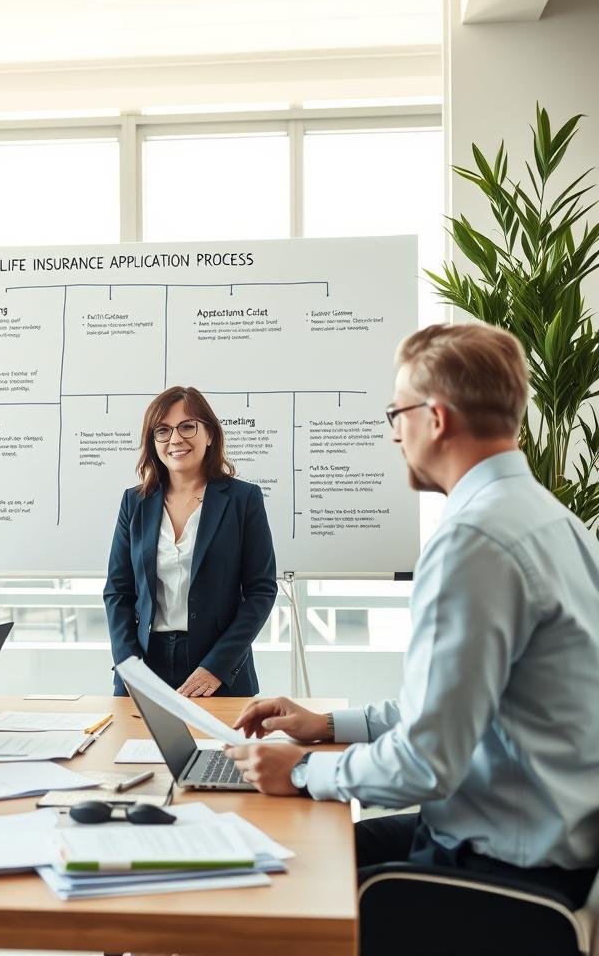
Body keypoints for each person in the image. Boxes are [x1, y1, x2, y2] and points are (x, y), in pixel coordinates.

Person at [226, 324, 599, 907]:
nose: (395, 435)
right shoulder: (554, 523)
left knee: (266, 894)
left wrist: (300, 772)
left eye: (396, 414)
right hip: (527, 844)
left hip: (503, 877)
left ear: (437, 417)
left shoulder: (473, 542)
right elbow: (450, 710)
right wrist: (326, 726)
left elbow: (427, 761)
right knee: (298, 853)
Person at [104, 386, 278, 699]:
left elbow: (261, 591)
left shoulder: (243, 500)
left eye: (187, 426)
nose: (175, 439)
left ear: (209, 434)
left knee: (218, 749)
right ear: (152, 441)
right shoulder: (135, 502)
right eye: (163, 430)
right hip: (144, 664)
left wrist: (218, 665)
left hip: (216, 667)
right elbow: (118, 591)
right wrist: (128, 664)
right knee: (132, 747)